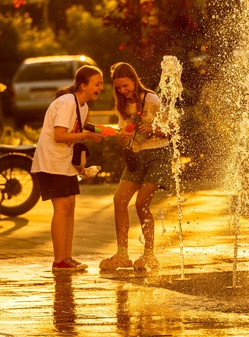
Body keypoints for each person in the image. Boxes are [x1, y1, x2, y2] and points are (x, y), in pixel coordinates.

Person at [31, 65, 105, 272]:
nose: (100, 87)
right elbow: (60, 135)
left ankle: (67, 257)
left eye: (101, 84)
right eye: (96, 84)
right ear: (83, 85)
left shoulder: (83, 107)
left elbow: (75, 136)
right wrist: (87, 135)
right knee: (62, 209)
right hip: (51, 162)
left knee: (70, 208)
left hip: (65, 164)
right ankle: (58, 260)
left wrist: (81, 167)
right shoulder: (66, 102)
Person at [99, 62, 172, 271]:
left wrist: (152, 129)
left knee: (141, 204)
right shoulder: (121, 105)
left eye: (125, 86)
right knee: (119, 200)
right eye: (119, 88)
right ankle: (122, 254)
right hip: (137, 155)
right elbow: (124, 141)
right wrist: (123, 137)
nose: (123, 90)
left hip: (158, 154)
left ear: (134, 79)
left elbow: (171, 130)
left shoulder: (151, 99)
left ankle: (149, 255)